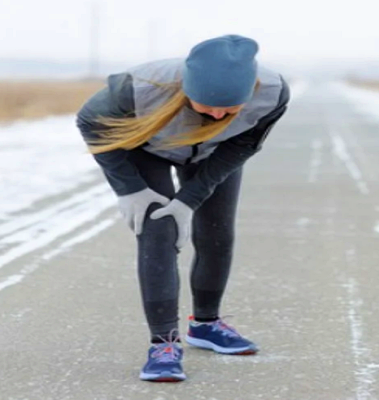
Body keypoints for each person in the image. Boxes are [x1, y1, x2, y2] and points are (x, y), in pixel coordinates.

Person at [75, 34, 290, 382]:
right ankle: (163, 343)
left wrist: (191, 198)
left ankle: (206, 325)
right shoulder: (138, 88)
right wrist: (130, 189)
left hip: (213, 154)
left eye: (230, 108)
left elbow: (247, 143)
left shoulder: (273, 93)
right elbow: (90, 123)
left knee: (218, 234)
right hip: (146, 149)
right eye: (206, 105)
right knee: (158, 230)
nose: (218, 114)